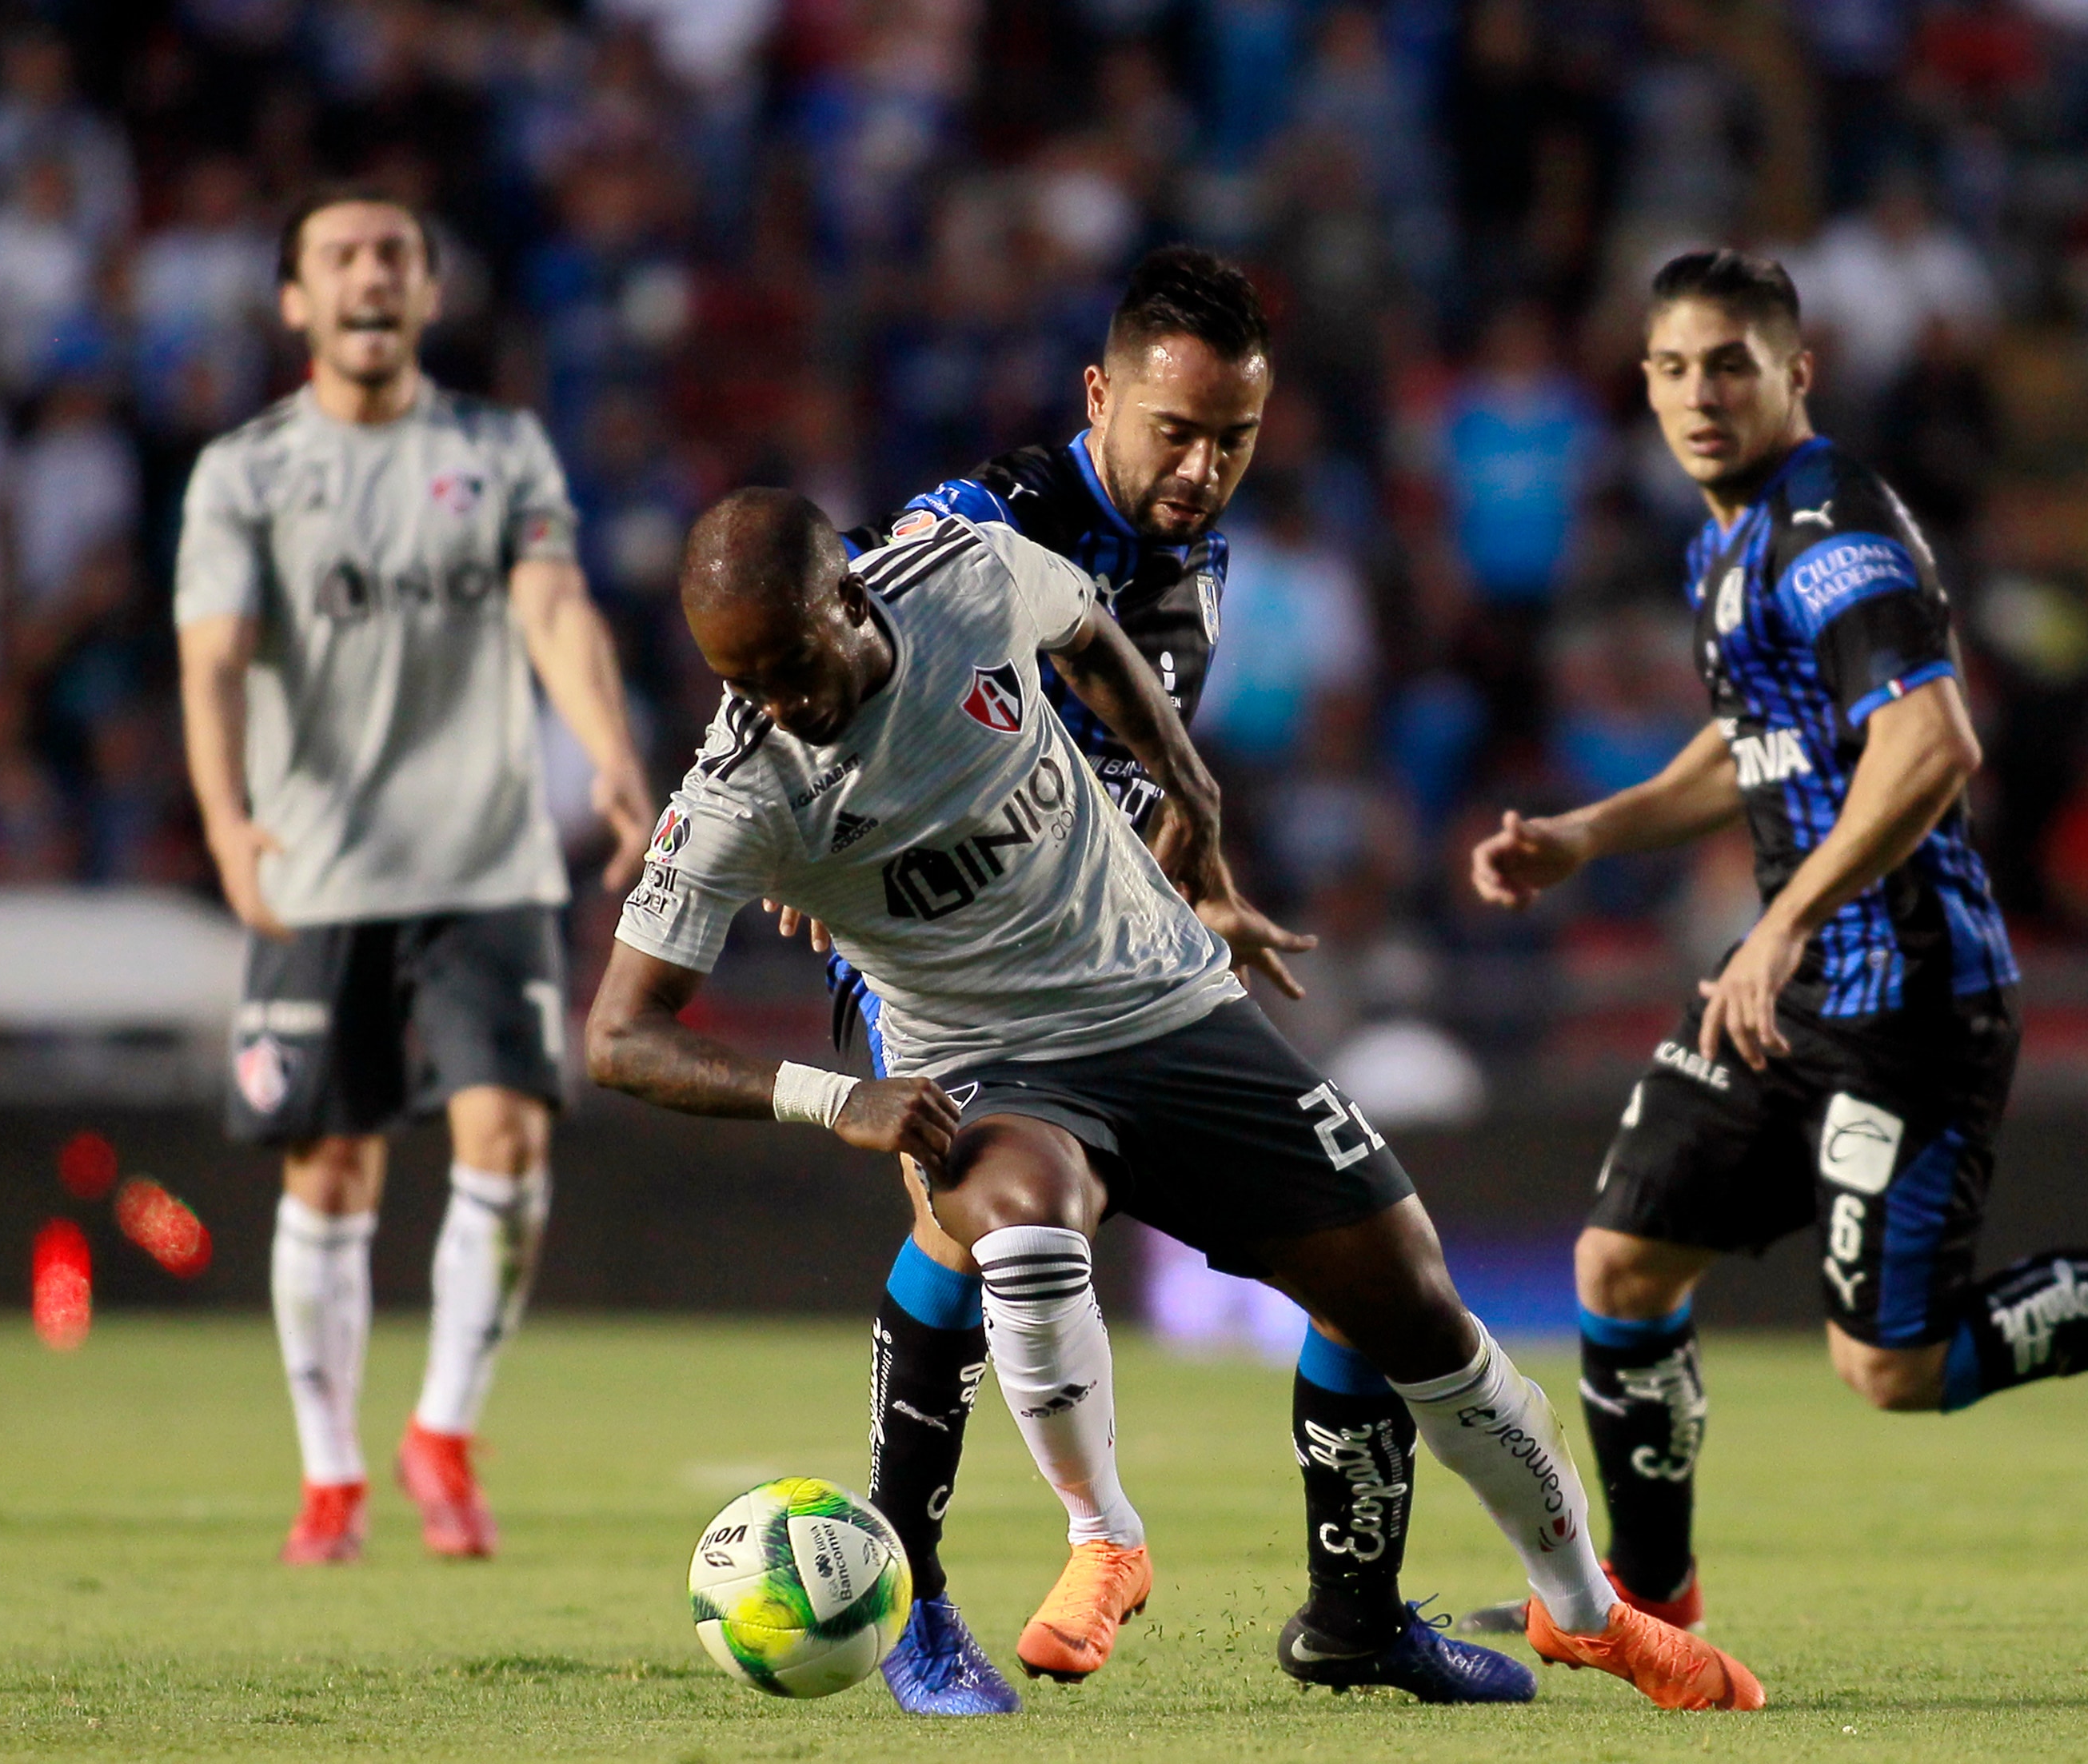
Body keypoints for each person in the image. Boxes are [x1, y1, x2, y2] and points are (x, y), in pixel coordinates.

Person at [587, 489, 1770, 1715]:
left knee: (1418, 1309)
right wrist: (835, 1097)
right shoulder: (741, 786)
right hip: (995, 1059)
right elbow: (620, 1035)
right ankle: (1106, 1534)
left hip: (1173, 1005)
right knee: (1026, 1222)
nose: (773, 700)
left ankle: (1583, 1611)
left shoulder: (966, 577)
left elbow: (1092, 630)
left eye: (786, 664)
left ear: (846, 598)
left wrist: (1188, 789)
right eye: (740, 678)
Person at [1461, 249, 2088, 1638]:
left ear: (1799, 372)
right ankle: (1643, 1605)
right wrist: (1589, 835)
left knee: (1892, 1366)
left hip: (1909, 995)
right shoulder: (1722, 539)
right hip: (1784, 985)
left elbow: (1932, 738)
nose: (1698, 392)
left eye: (1731, 361)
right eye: (1672, 367)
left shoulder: (1831, 524)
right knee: (1621, 1265)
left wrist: (1777, 921)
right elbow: (1760, 743)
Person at [808, 248, 1522, 1713]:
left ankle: (1358, 1612)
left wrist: (1202, 889)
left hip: (1115, 960)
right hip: (945, 954)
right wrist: (803, 825)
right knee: (962, 1217)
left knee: (1351, 1234)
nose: (1200, 470)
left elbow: (1128, 778)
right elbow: (808, 622)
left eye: (1234, 441)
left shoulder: (1189, 564)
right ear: (1100, 394)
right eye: (1173, 431)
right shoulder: (982, 518)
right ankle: (916, 1608)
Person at [174, 188, 651, 1566]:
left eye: (396, 255)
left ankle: (441, 1430)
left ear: (429, 295)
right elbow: (211, 658)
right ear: (296, 302)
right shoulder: (245, 470)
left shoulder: (499, 449)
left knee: (509, 1134)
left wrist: (610, 755)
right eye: (342, 256)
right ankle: (330, 1474)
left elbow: (553, 607)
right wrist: (223, 820)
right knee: (330, 1165)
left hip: (484, 863)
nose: (371, 275)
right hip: (315, 872)